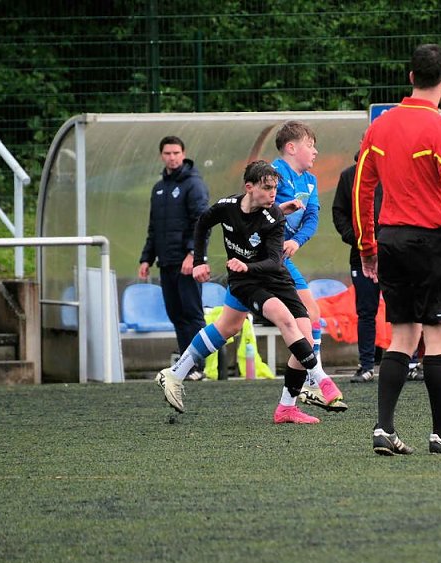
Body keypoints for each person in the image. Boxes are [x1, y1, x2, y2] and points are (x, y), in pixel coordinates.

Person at [353, 43, 441, 456]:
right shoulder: (440, 129)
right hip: (429, 243)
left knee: (402, 334)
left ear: (411, 77)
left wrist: (367, 246)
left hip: (390, 242)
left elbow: (362, 188)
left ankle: (384, 429)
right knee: (437, 338)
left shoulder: (379, 127)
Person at [155, 160, 346, 424]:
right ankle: (320, 379)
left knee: (291, 329)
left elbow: (273, 259)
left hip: (272, 275)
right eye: (267, 188)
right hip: (246, 281)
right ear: (249, 187)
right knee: (280, 320)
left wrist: (246, 263)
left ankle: (287, 407)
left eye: (275, 188)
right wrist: (199, 260)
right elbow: (203, 222)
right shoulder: (227, 207)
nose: (273, 193)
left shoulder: (274, 215)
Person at [271, 121, 345, 410]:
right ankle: (314, 380)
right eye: (310, 145)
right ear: (291, 148)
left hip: (280, 258)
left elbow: (312, 217)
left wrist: (296, 241)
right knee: (307, 316)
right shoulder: (273, 174)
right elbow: (259, 210)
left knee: (229, 324)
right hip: (264, 259)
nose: (315, 152)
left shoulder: (310, 181)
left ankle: (176, 372)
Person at [138, 136, 209, 379]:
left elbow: (201, 223)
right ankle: (186, 365)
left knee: (192, 313)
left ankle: (199, 366)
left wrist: (193, 255)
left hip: (186, 262)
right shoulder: (159, 188)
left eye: (176, 153)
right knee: (176, 314)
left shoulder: (193, 184)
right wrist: (146, 258)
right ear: (162, 156)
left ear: (183, 154)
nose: (172, 157)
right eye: (168, 153)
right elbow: (154, 227)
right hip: (166, 262)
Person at [332, 155, 382, 383]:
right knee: (366, 311)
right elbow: (339, 212)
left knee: (402, 309)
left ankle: (409, 364)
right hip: (361, 255)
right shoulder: (349, 175)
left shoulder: (395, 169)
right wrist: (357, 240)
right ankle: (366, 366)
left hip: (395, 252)